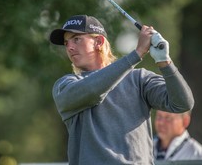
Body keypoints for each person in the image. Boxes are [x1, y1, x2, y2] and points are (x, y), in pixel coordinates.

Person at [50, 14, 194, 165]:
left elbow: (182, 103)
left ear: (98, 42)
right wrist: (137, 54)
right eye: (66, 43)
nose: (70, 47)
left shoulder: (139, 79)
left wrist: (165, 62)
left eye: (76, 39)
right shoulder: (66, 85)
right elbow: (93, 91)